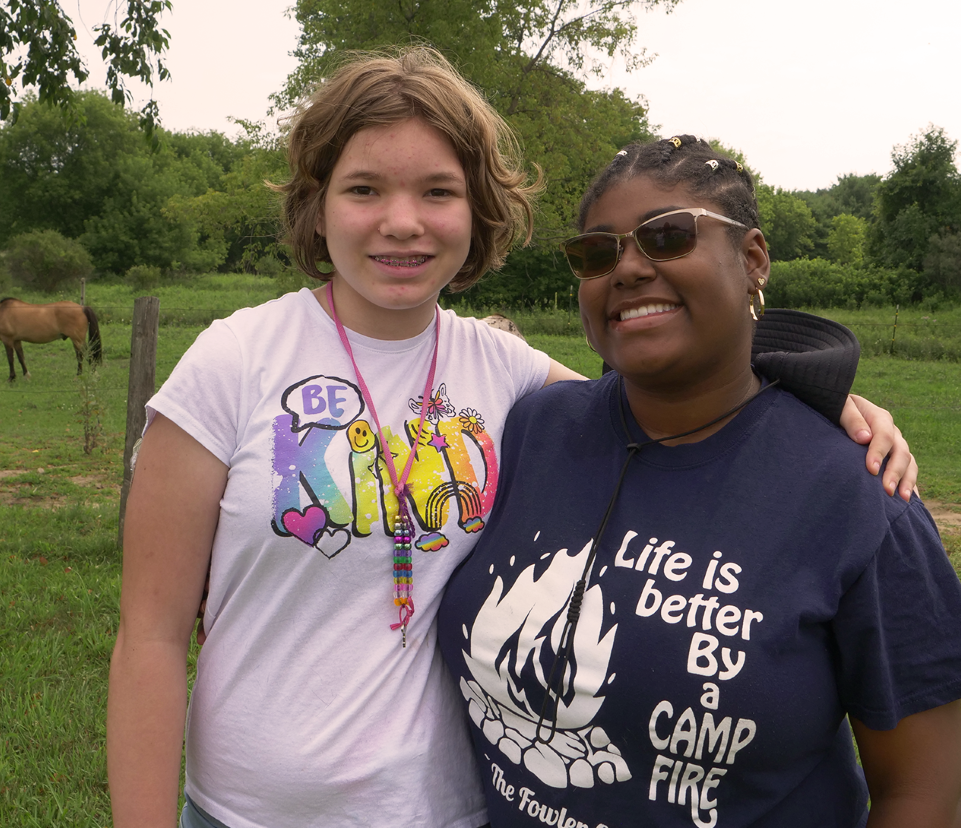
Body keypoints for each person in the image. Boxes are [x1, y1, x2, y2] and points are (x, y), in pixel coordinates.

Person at [106, 51, 916, 828]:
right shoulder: (234, 361)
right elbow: (150, 635)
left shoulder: (507, 374)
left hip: (452, 815)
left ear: (477, 209)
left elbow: (680, 390)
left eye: (438, 192)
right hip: (243, 816)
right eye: (363, 189)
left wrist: (815, 394)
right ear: (318, 205)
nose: (402, 222)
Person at [438, 135, 961, 828]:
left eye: (667, 236)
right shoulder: (533, 430)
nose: (628, 268)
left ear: (754, 259)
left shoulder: (855, 492)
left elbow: (923, 795)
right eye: (598, 251)